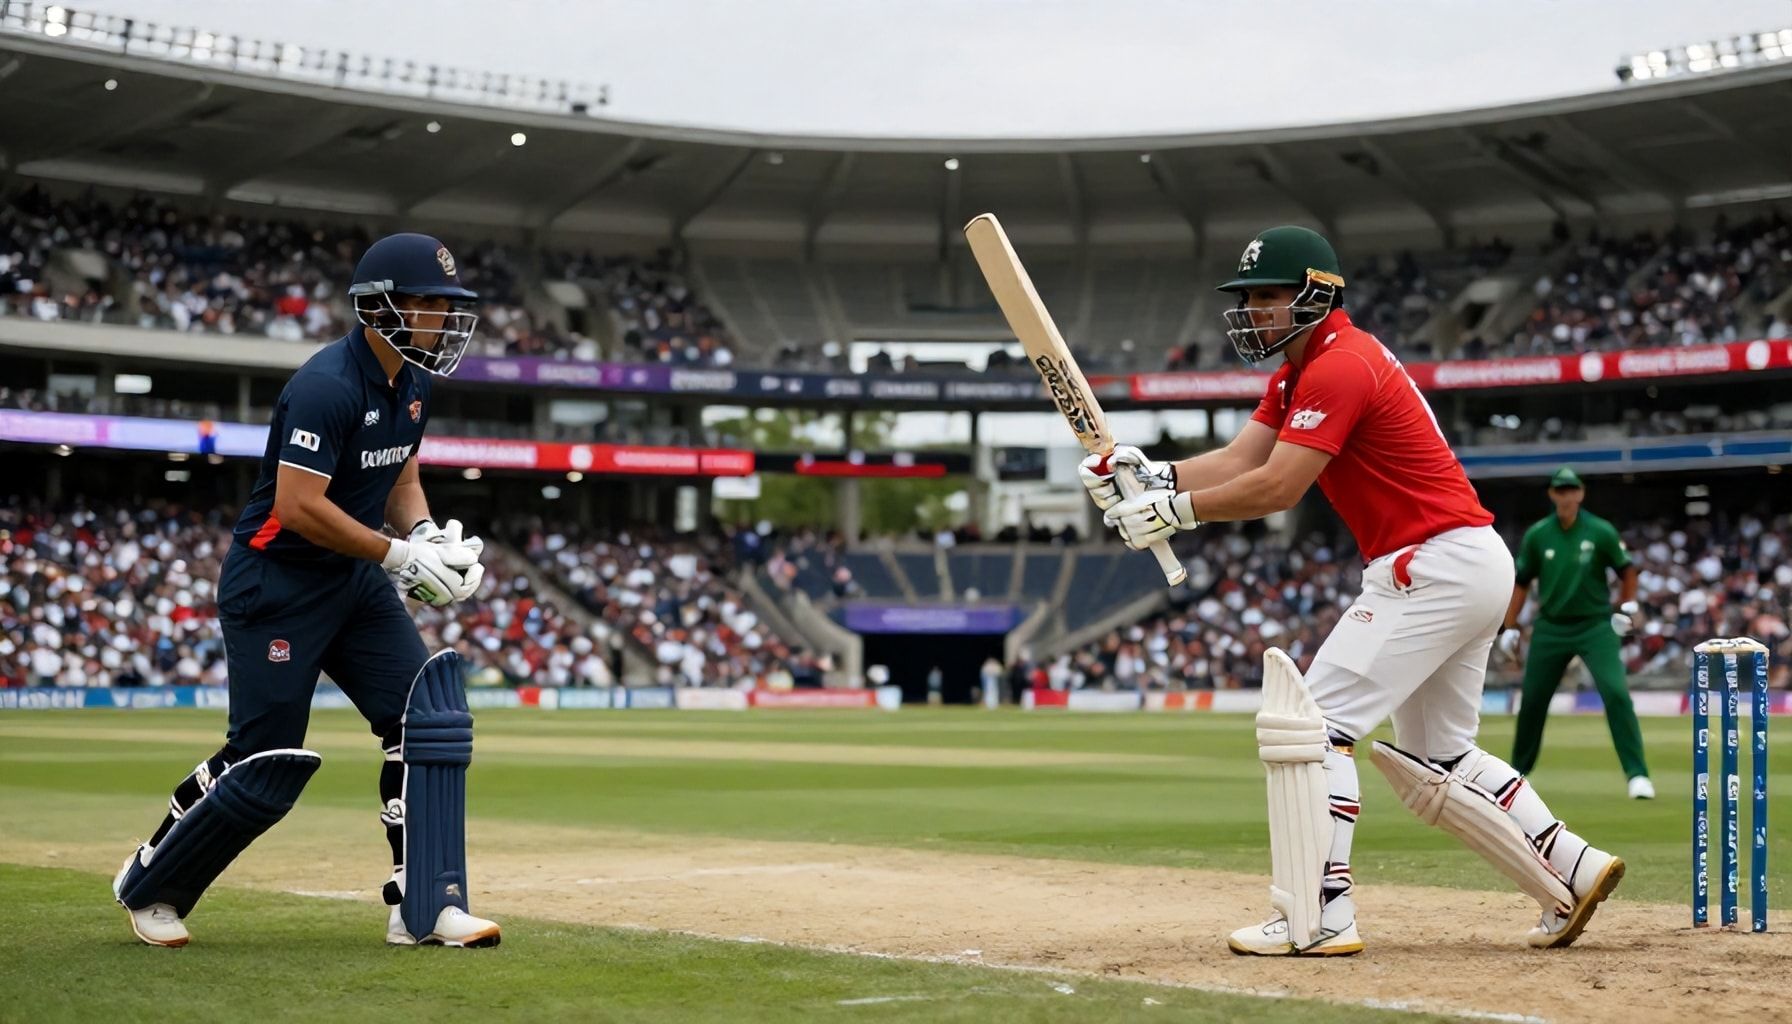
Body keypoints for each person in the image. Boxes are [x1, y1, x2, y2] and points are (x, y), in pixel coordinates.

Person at [1079, 226, 1621, 957]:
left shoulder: (1341, 365)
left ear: (1316, 292)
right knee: (1442, 753)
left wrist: (1175, 513)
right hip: (1464, 560)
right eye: (1247, 299)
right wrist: (1155, 477)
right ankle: (1574, 865)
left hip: (1428, 565)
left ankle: (1319, 913)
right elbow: (1243, 457)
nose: (1252, 311)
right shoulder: (1300, 371)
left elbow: (1276, 486)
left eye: (1267, 296)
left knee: (1313, 727)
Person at [112, 233, 501, 950]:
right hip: (278, 580)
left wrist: (429, 537)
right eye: (429, 304)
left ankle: (424, 906)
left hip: (351, 578)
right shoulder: (326, 385)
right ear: (379, 306)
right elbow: (296, 506)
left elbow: (401, 477)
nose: (444, 320)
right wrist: (397, 554)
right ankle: (152, 883)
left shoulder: (414, 380)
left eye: (450, 306)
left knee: (427, 723)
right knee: (264, 758)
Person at [1497, 467, 1651, 798]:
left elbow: (1627, 571)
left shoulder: (1600, 531)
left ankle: (1637, 775)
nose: (1566, 496)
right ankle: (1517, 775)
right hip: (1550, 626)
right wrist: (1509, 626)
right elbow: (1522, 581)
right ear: (1552, 495)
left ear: (1580, 493)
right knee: (1534, 699)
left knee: (1616, 693)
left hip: (1595, 624)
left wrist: (1629, 606)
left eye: (1571, 490)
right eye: (1560, 491)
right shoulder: (1539, 535)